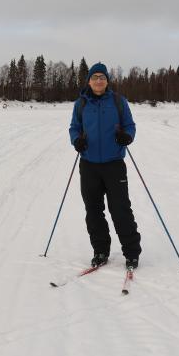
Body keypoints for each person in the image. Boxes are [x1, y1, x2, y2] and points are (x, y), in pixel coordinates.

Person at [68, 62, 142, 269]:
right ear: (89, 81)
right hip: (89, 165)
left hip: (114, 164)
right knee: (93, 211)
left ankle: (132, 253)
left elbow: (129, 125)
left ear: (107, 81)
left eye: (102, 77)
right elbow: (74, 127)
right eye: (95, 77)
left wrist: (127, 136)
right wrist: (76, 140)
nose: (98, 80)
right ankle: (100, 251)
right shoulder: (81, 104)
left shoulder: (118, 101)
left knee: (120, 210)